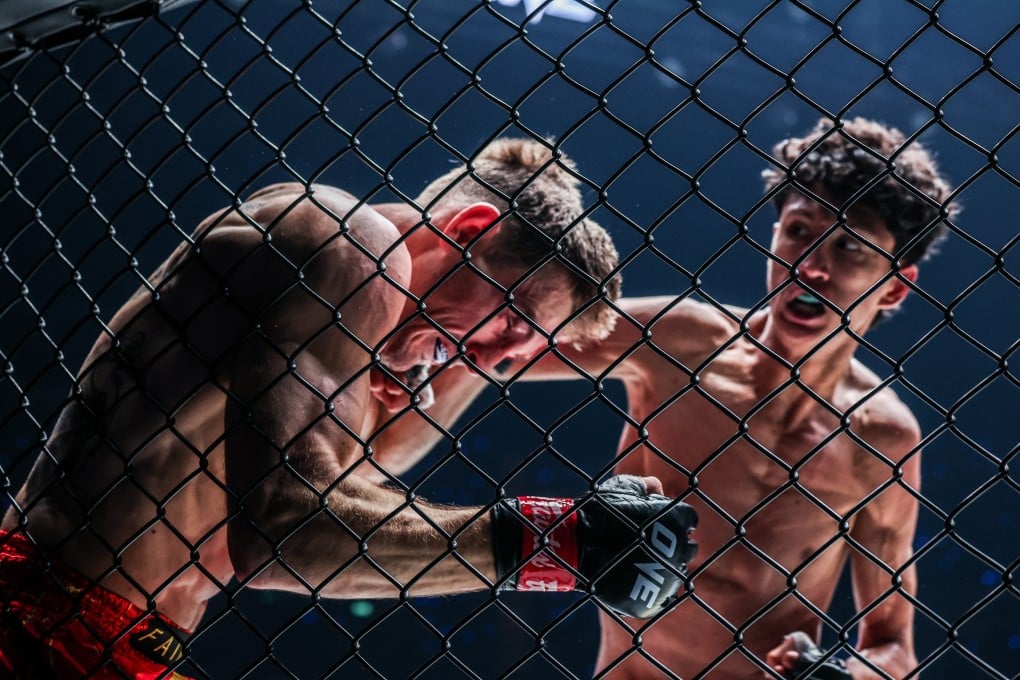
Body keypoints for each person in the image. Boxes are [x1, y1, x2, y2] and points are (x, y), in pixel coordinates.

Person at [0, 138, 698, 679]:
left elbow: (345, 522)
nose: (489, 359)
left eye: (519, 354)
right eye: (511, 317)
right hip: (43, 614)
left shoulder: (376, 361)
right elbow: (279, 534)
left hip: (135, 640)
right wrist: (557, 540)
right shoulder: (345, 240)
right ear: (467, 229)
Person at [504, 118, 957, 678]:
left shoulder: (884, 440)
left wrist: (842, 676)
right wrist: (412, 362)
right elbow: (500, 347)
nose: (811, 266)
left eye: (849, 246)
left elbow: (894, 647)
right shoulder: (679, 341)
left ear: (894, 284)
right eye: (798, 231)